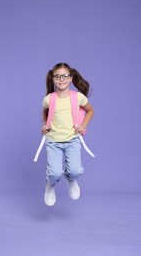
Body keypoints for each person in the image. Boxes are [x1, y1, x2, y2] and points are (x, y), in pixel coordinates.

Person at [41, 62, 94, 206]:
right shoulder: (48, 99)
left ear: (71, 78)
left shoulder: (78, 97)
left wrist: (83, 126)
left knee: (75, 171)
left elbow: (90, 110)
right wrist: (45, 126)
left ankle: (71, 179)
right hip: (53, 141)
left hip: (72, 140)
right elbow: (47, 113)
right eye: (57, 76)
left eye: (65, 76)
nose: (61, 79)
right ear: (53, 79)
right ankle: (49, 186)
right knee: (54, 173)